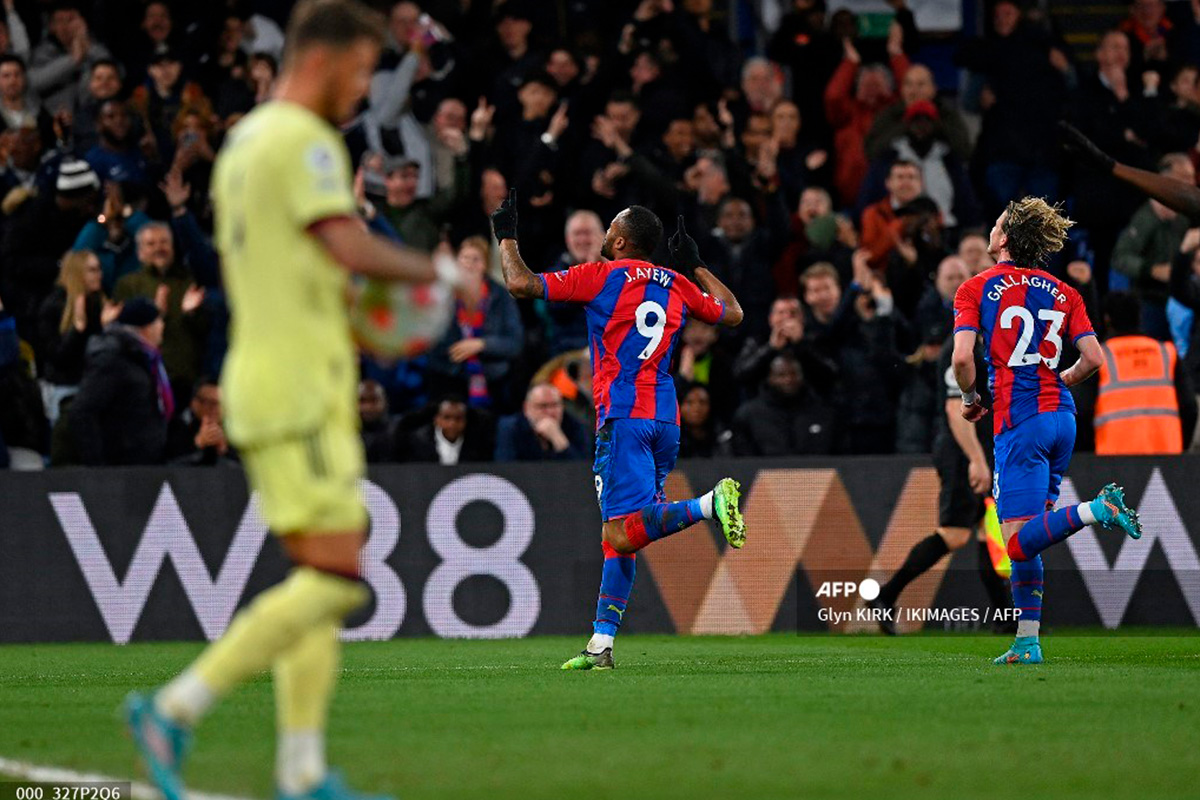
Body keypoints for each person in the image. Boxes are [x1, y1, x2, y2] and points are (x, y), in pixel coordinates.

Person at [122, 4, 461, 799]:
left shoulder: (243, 143)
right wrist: (438, 275)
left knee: (322, 576)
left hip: (278, 376)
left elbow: (304, 269)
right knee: (338, 578)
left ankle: (301, 771)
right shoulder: (301, 140)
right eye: (364, 71)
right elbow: (346, 243)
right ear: (328, 58)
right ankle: (175, 707)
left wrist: (359, 319)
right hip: (297, 391)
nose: (365, 91)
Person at [492, 194, 747, 670]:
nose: (604, 236)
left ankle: (708, 504)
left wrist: (505, 234)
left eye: (610, 229)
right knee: (622, 535)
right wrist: (696, 266)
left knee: (621, 531)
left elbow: (519, 283)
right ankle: (601, 644)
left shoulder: (601, 276)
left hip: (623, 418)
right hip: (665, 419)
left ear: (622, 240)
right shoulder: (675, 284)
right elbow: (732, 313)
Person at [951, 197, 1143, 666]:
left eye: (997, 225)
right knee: (1031, 534)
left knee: (1015, 540)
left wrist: (972, 400)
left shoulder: (975, 288)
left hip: (1020, 423)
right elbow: (1095, 359)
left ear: (1004, 239)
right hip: (1063, 419)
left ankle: (1098, 509)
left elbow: (961, 360)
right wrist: (1062, 379)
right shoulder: (1064, 291)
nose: (993, 231)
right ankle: (1027, 641)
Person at [868, 327, 1012, 634]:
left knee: (988, 532)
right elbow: (954, 409)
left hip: (981, 449)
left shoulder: (982, 344)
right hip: (962, 452)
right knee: (956, 533)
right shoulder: (961, 349)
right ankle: (886, 595)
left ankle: (1008, 620)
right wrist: (976, 459)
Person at [69, 297, 171, 465]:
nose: (162, 326)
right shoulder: (112, 360)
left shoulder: (146, 359)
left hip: (146, 463)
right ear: (146, 327)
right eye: (158, 320)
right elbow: (82, 411)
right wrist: (98, 466)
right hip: (121, 467)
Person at [1094, 291, 1195, 454]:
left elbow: (1082, 412)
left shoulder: (1099, 358)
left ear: (1107, 319)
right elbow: (1189, 408)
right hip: (1167, 459)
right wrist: (1180, 449)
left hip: (1112, 461)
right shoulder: (1166, 353)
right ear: (1140, 316)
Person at [730, 353, 834, 456]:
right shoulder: (749, 415)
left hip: (817, 471)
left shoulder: (824, 413)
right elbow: (743, 460)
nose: (788, 380)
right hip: (764, 472)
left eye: (793, 374)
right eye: (781, 375)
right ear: (770, 378)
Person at [494, 382, 588, 461]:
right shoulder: (510, 427)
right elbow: (506, 466)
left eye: (555, 405)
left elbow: (583, 470)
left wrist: (558, 439)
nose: (550, 412)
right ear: (526, 408)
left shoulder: (576, 426)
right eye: (542, 406)